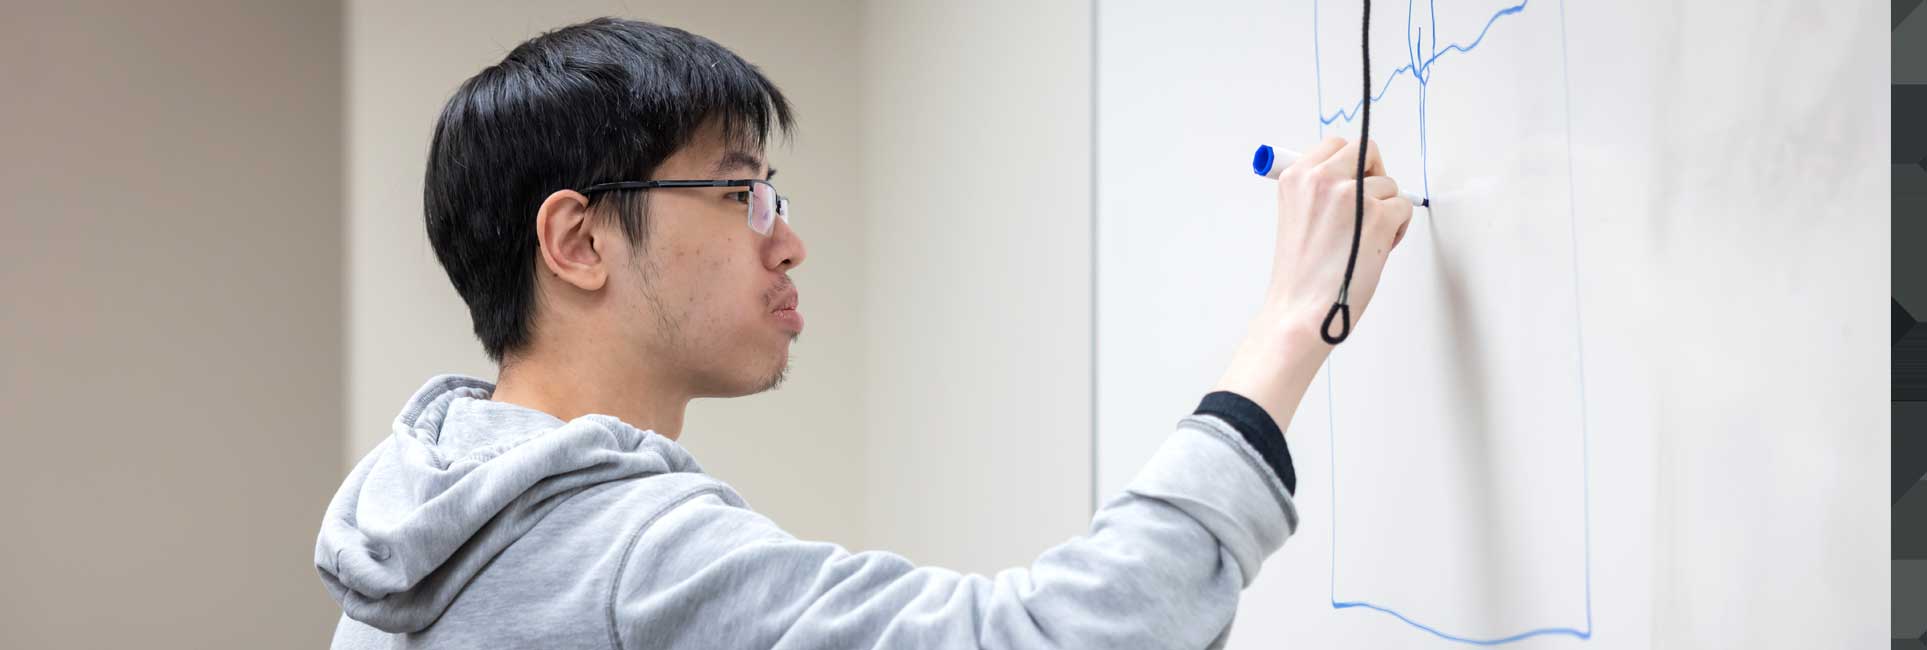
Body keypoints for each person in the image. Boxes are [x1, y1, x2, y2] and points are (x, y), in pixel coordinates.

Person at [315, 17, 1413, 649]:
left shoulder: (413, 546)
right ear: (579, 240)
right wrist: (1287, 327)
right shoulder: (626, 554)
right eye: (738, 191)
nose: (786, 240)